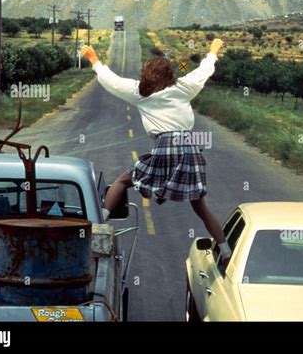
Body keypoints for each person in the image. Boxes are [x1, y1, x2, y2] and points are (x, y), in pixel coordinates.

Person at [81, 39, 232, 260]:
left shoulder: (140, 93)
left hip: (165, 146)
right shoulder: (183, 88)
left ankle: (98, 223)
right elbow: (203, 71)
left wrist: (93, 58)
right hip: (189, 148)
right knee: (199, 204)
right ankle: (225, 249)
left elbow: (111, 81)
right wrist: (213, 52)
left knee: (124, 181)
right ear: (169, 74)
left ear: (146, 75)